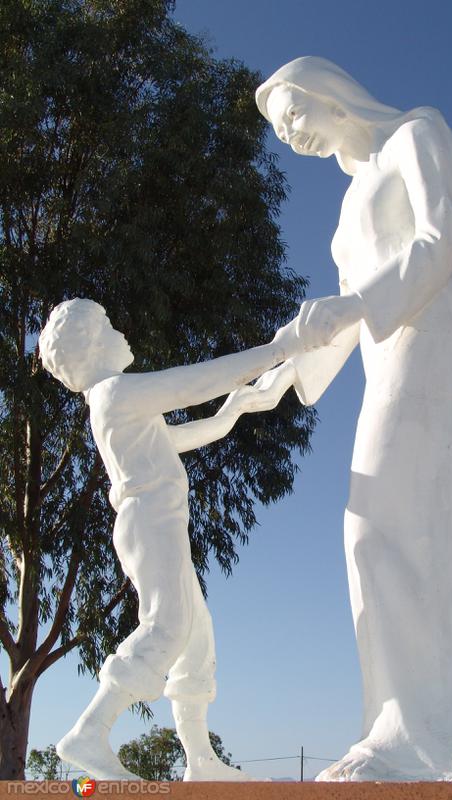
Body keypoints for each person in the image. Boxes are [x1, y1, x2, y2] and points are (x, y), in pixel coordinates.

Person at [255, 56, 452, 781]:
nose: (291, 136)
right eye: (281, 131)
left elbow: (438, 240)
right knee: (383, 529)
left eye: (294, 115)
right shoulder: (347, 208)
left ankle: (448, 725)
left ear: (328, 94)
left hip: (438, 335)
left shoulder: (417, 132)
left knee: (384, 522)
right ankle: (401, 722)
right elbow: (345, 324)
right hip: (388, 352)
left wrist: (351, 307)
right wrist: (279, 379)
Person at [39, 298, 301, 781]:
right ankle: (90, 731)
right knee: (167, 627)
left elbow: (187, 434)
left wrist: (241, 405)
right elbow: (195, 381)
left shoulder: (119, 405)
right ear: (92, 346)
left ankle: (200, 759)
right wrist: (279, 347)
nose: (122, 333)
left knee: (196, 637)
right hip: (149, 522)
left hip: (160, 524)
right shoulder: (115, 392)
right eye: (110, 327)